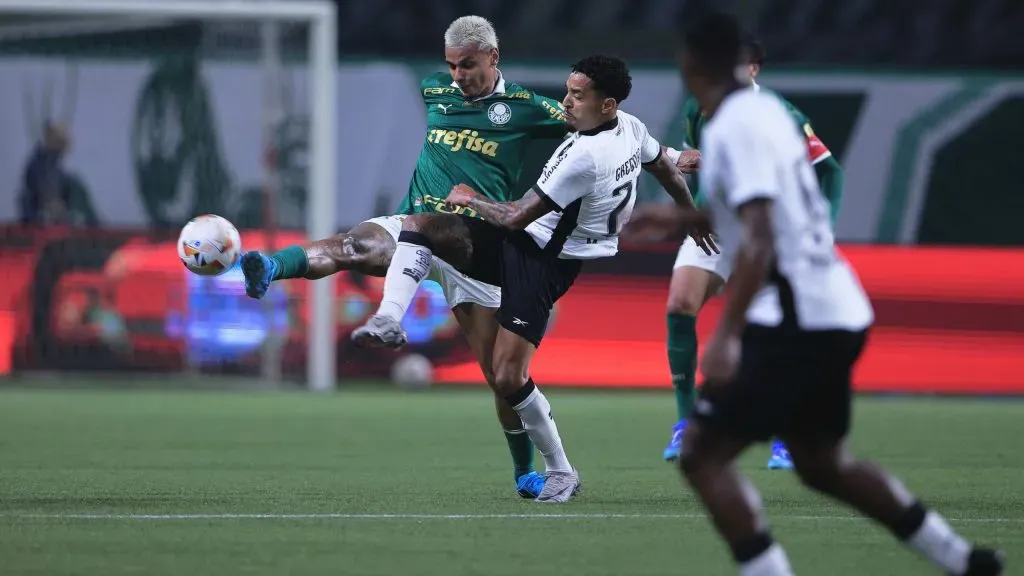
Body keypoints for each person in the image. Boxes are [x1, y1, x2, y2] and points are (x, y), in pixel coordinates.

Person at [674, 12, 1003, 575]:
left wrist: (726, 336)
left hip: (797, 318)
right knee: (823, 464)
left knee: (702, 455)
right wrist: (665, 218)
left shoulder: (733, 124)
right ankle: (961, 559)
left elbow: (757, 234)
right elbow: (760, 209)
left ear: (691, 62)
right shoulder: (768, 112)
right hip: (835, 307)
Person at [350, 55, 712, 503]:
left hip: (543, 260)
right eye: (568, 90)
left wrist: (469, 198)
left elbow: (518, 217)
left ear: (607, 104)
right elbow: (664, 166)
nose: (566, 102)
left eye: (578, 96)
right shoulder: (631, 128)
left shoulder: (585, 157)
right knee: (421, 225)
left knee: (507, 376)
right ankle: (389, 317)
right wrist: (690, 211)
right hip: (526, 242)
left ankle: (561, 470)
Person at [239, 15, 570, 499]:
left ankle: (525, 471)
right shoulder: (436, 89)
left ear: (493, 58)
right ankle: (272, 267)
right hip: (414, 228)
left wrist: (659, 153)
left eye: (468, 65)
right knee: (355, 243)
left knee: (503, 379)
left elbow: (595, 131)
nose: (457, 75)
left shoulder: (526, 108)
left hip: (474, 247)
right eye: (452, 65)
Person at [641, 34, 845, 469]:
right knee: (679, 305)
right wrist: (690, 214)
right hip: (718, 228)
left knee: (773, 335)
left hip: (772, 237)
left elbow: (830, 170)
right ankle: (686, 422)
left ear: (753, 70)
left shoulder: (780, 115)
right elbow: (705, 169)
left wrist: (823, 231)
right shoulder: (700, 110)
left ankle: (786, 434)